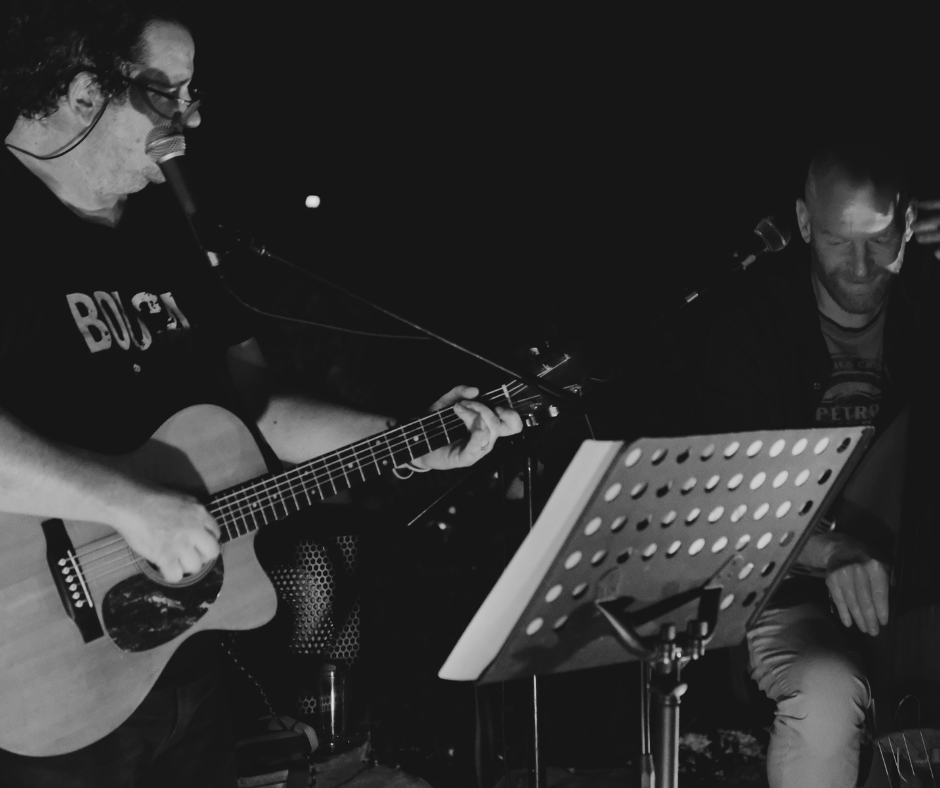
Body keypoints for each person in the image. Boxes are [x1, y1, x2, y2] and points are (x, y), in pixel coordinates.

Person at [0, 3, 522, 786]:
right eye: (169, 92)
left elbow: (259, 412)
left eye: (192, 93)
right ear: (83, 92)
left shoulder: (163, 234)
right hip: (34, 663)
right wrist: (128, 505)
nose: (192, 116)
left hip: (173, 664)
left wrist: (411, 436)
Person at [696, 138, 940, 788]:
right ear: (804, 223)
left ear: (909, 226)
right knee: (828, 693)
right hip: (792, 591)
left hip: (922, 594)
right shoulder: (748, 329)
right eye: (837, 240)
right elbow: (736, 501)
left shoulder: (930, 311)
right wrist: (832, 551)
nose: (861, 265)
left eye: (881, 240)